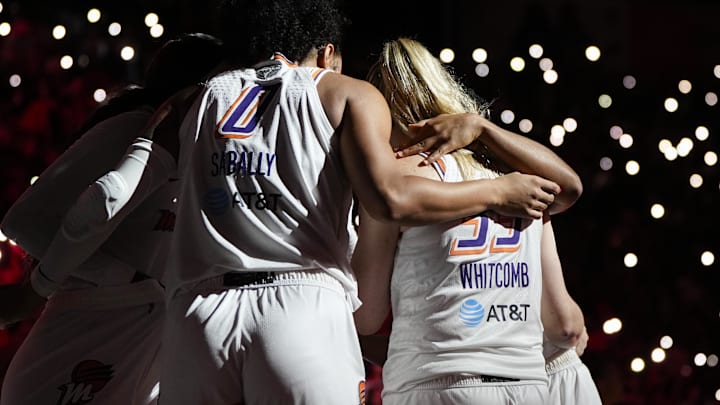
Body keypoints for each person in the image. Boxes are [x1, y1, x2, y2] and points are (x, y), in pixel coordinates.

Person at [24, 1, 573, 402]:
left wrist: (39, 288)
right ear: (328, 52)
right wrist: (500, 189)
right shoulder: (345, 92)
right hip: (299, 306)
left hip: (199, 315)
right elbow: (390, 198)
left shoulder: (192, 100)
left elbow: (109, 195)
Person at [352, 37, 586, 405]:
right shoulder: (520, 180)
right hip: (525, 385)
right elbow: (564, 326)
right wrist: (483, 130)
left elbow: (366, 317)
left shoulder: (392, 185)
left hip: (436, 384)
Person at [0, 33, 224, 405]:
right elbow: (24, 222)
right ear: (195, 87)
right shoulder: (131, 129)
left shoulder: (208, 152)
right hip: (77, 351)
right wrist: (129, 279)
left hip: (148, 350)